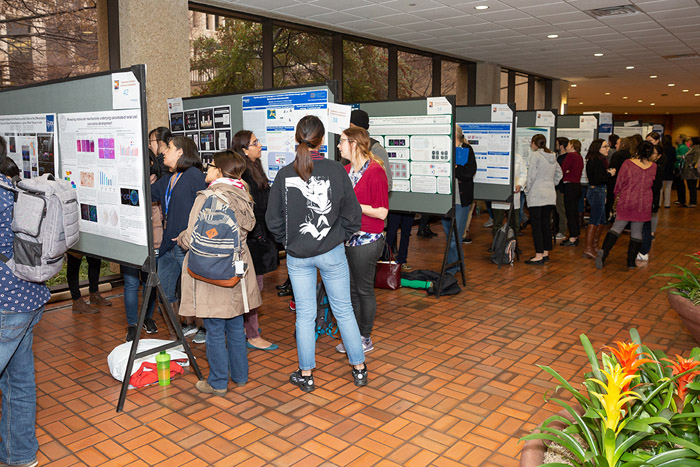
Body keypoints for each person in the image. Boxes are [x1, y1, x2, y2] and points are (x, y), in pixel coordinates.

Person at [266, 115, 367, 393]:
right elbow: (353, 216)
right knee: (344, 310)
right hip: (332, 252)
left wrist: (289, 241)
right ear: (322, 140)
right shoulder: (337, 171)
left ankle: (307, 374)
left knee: (305, 316)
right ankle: (359, 369)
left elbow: (272, 219)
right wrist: (337, 237)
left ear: (297, 138)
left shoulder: (285, 173)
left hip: (298, 256)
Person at [176, 150, 261, 396]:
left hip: (212, 269)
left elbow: (192, 237)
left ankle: (218, 382)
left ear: (220, 170)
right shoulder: (243, 194)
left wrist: (180, 238)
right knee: (235, 324)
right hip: (236, 268)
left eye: (210, 165)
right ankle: (241, 376)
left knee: (214, 327)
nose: (207, 169)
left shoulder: (208, 197)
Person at [0, 139, 51, 467]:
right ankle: (20, 456)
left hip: (5, 303)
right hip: (29, 296)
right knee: (19, 381)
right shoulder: (11, 187)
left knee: (17, 381)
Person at [336, 126, 389, 354]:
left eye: (342, 141)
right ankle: (354, 335)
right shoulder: (346, 170)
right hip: (348, 239)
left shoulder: (375, 171)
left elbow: (382, 212)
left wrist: (353, 206)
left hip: (367, 240)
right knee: (352, 290)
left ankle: (365, 338)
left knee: (363, 290)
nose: (339, 146)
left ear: (354, 144)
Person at [150, 136, 207, 342]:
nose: (164, 152)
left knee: (197, 289)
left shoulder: (194, 176)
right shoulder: (168, 179)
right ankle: (179, 329)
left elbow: (204, 210)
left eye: (169, 148)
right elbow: (148, 193)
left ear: (181, 152)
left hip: (187, 245)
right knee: (164, 290)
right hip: (169, 246)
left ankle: (205, 328)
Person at [232, 130, 278, 351]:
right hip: (251, 241)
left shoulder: (254, 168)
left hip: (258, 237)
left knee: (254, 285)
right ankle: (251, 334)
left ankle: (247, 329)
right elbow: (249, 209)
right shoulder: (243, 175)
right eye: (254, 143)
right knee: (252, 286)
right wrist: (259, 234)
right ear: (243, 149)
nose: (259, 145)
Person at [596, 141, 656, 270]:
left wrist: (616, 194)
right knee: (637, 230)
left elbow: (619, 182)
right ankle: (630, 261)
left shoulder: (628, 163)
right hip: (644, 202)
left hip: (627, 199)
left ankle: (604, 252)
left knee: (617, 227)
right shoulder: (654, 167)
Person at [442, 124, 476, 275]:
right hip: (444, 201)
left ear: (455, 134)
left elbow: (469, 172)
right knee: (450, 237)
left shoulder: (466, 149)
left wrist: (455, 168)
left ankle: (452, 268)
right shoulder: (444, 148)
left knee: (455, 238)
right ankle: (456, 265)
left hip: (460, 200)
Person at [523, 134, 562, 265]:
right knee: (545, 224)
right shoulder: (552, 155)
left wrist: (527, 190)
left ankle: (538, 255)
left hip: (537, 194)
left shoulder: (535, 155)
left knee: (536, 226)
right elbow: (559, 173)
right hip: (550, 194)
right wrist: (552, 183)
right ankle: (545, 253)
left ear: (534, 143)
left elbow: (531, 175)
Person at [582, 139, 615, 259]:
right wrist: (610, 174)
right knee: (595, 219)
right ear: (597, 148)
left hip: (600, 191)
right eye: (605, 147)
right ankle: (588, 248)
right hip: (596, 191)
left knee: (601, 220)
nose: (608, 149)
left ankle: (594, 246)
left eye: (607, 146)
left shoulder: (600, 160)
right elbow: (597, 179)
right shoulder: (596, 161)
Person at [638, 144, 664, 262]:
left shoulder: (656, 168)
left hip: (650, 200)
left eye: (653, 153)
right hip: (642, 199)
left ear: (658, 156)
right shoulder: (646, 167)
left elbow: (656, 187)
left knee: (646, 225)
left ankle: (644, 251)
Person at [492, 151, 527, 240]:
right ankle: (497, 245)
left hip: (514, 194)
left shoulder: (518, 157)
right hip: (498, 194)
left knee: (514, 223)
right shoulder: (494, 155)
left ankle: (513, 244)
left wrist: (520, 184)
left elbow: (524, 173)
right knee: (497, 223)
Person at [560, 139, 583, 246]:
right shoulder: (579, 157)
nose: (567, 146)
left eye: (568, 144)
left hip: (570, 186)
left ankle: (573, 237)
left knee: (570, 213)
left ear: (572, 145)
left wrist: (567, 172)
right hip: (577, 186)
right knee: (574, 212)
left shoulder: (570, 156)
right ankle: (575, 235)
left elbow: (562, 169)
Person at [606, 137, 631, 221]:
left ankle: (610, 217)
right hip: (626, 182)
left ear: (622, 145)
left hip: (615, 181)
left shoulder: (617, 155)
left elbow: (612, 168)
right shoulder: (630, 155)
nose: (615, 145)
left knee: (612, 200)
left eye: (617, 143)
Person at [553, 137, 569, 241]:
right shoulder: (558, 157)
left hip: (561, 188)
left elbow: (563, 175)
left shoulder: (565, 158)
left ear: (561, 146)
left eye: (557, 144)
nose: (555, 146)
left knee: (561, 210)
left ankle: (563, 231)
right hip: (556, 188)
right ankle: (557, 230)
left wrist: (562, 190)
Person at [681, 136, 700, 208]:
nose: (689, 142)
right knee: (690, 186)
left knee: (692, 187)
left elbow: (696, 158)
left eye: (690, 141)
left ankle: (693, 202)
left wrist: (691, 164)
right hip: (689, 171)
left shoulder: (697, 148)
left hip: (692, 171)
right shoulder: (692, 148)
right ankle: (692, 202)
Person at [660, 134, 676, 208]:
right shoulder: (672, 148)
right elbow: (674, 159)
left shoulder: (661, 148)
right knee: (668, 187)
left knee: (660, 187)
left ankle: (659, 203)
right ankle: (667, 204)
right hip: (669, 169)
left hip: (662, 169)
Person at [674, 134, 689, 206]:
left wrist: (675, 156)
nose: (676, 138)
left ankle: (682, 200)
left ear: (681, 139)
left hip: (680, 167)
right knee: (678, 184)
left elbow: (682, 157)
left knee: (680, 184)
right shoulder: (679, 146)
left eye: (677, 137)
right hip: (678, 166)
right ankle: (680, 199)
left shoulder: (682, 147)